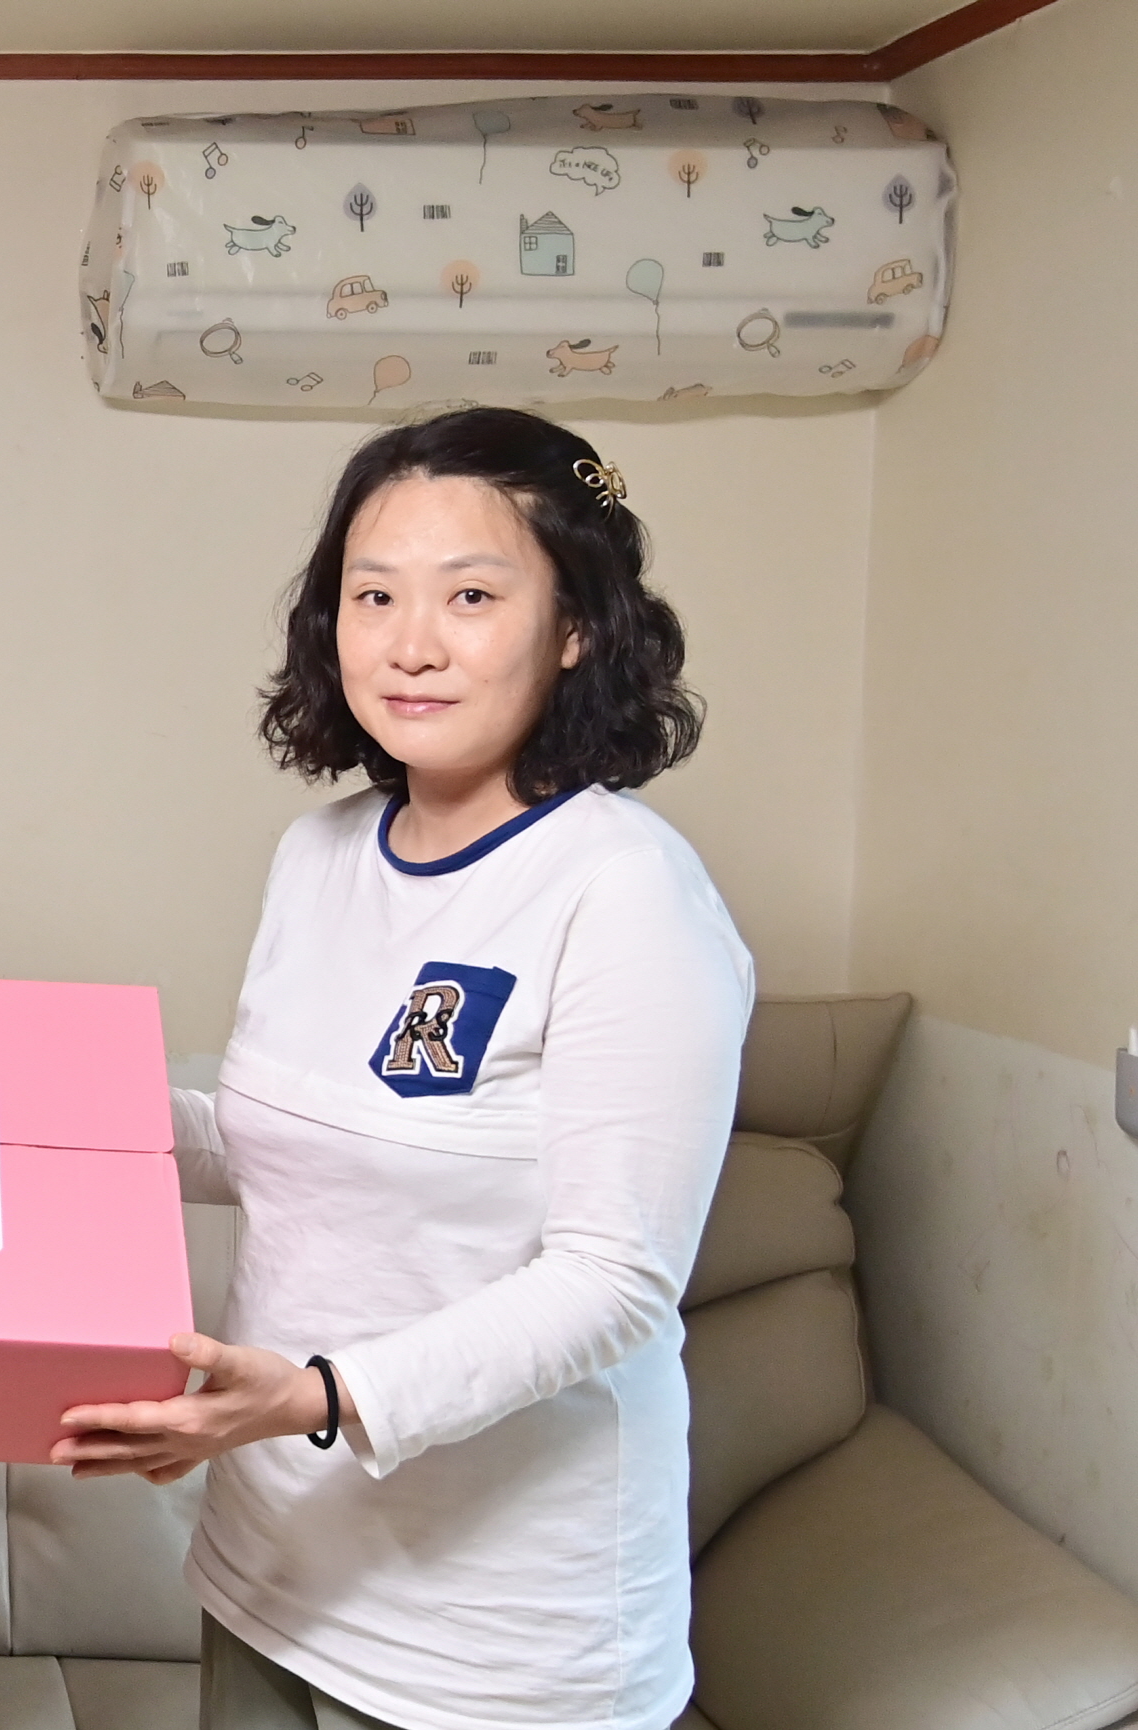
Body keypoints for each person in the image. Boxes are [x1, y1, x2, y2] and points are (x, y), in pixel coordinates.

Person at [54, 407, 752, 1730]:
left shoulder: (626, 891)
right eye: (372, 595)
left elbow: (616, 1281)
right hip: (270, 1571)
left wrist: (319, 1395)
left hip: (500, 1648)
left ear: (576, 624)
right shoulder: (318, 855)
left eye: (471, 596)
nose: (410, 642)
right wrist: (37, 1116)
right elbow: (283, 1137)